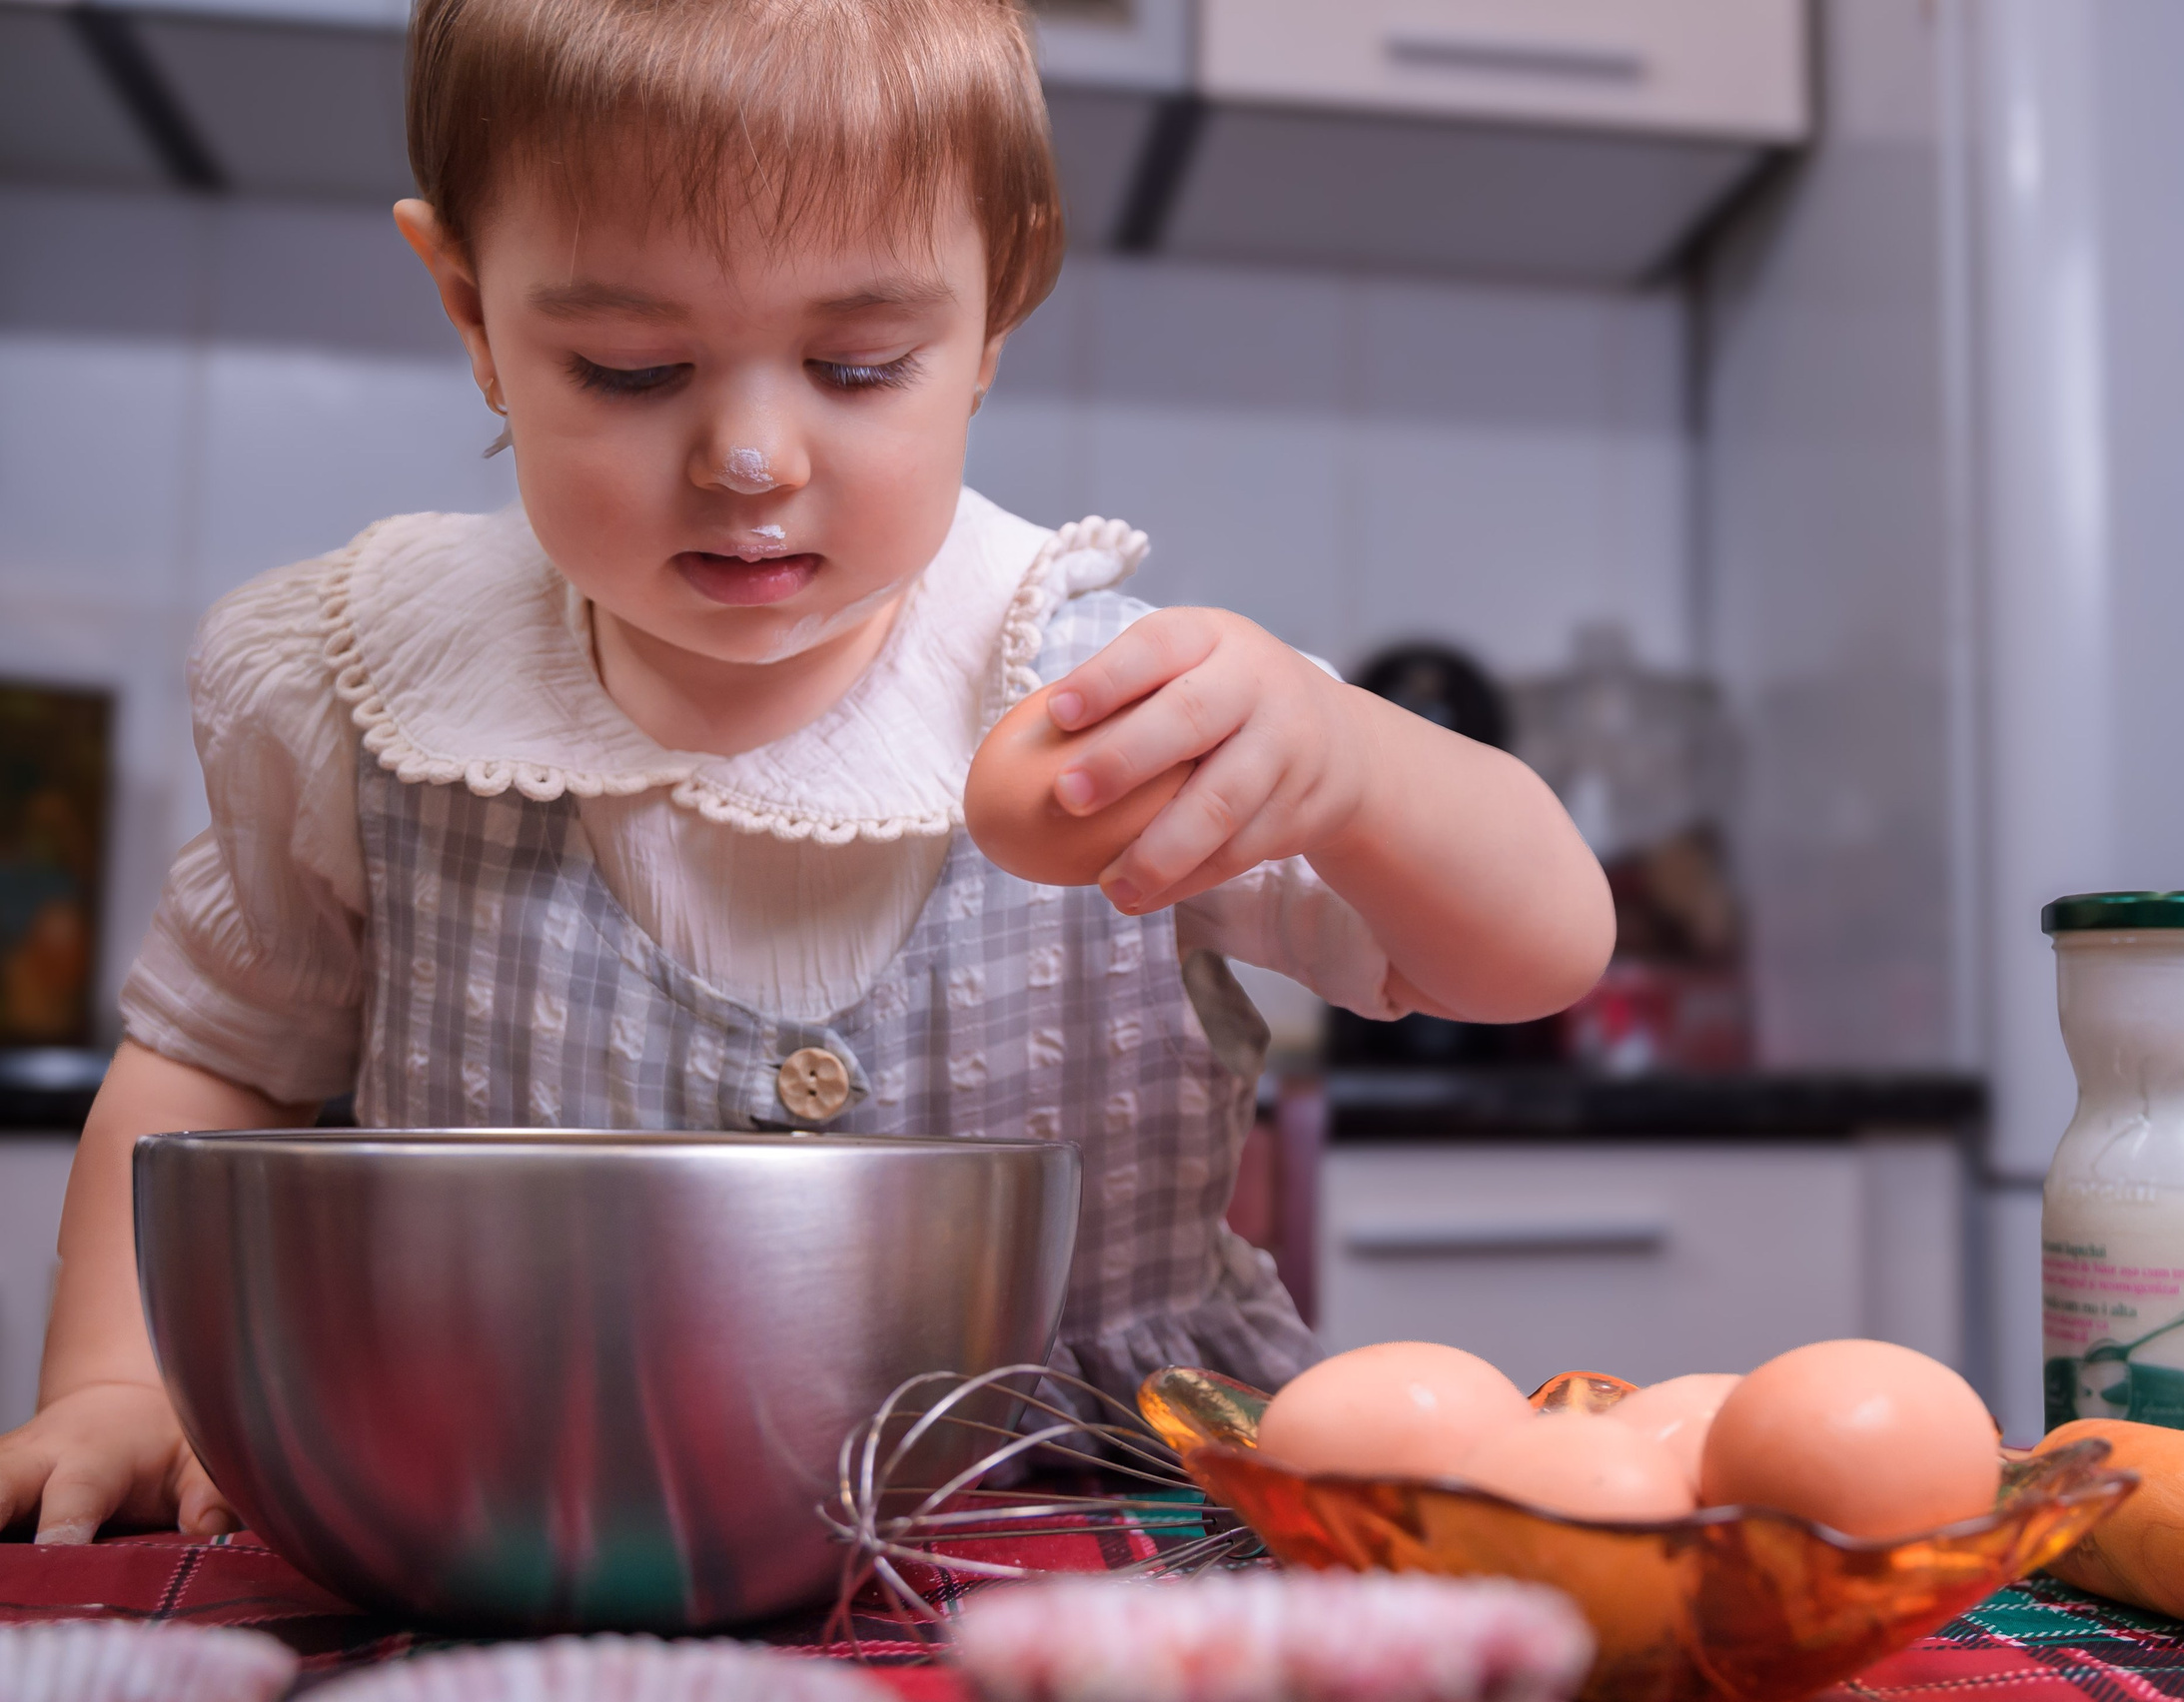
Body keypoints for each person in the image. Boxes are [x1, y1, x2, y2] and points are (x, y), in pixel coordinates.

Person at [0, 0, 1614, 1545]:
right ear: (474, 312)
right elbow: (212, 1061)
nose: (751, 459)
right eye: (633, 369)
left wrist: (1355, 767)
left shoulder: (1121, 702)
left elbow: (1535, 959)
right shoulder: (369, 690)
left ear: (999, 306)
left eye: (856, 367)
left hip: (1109, 1525)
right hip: (528, 1504)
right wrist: (118, 1382)